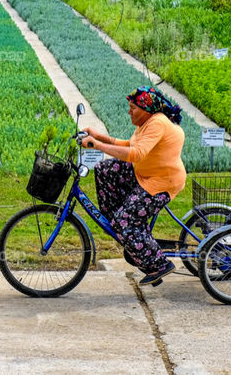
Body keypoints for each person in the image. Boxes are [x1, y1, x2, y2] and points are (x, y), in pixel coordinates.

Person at [79, 86, 186, 285]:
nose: (129, 112)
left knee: (124, 221)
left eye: (132, 108)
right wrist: (99, 136)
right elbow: (130, 144)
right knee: (105, 169)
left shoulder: (157, 124)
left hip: (161, 183)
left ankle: (159, 264)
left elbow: (135, 154)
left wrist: (98, 145)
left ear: (146, 109)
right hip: (144, 173)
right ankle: (126, 231)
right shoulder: (146, 122)